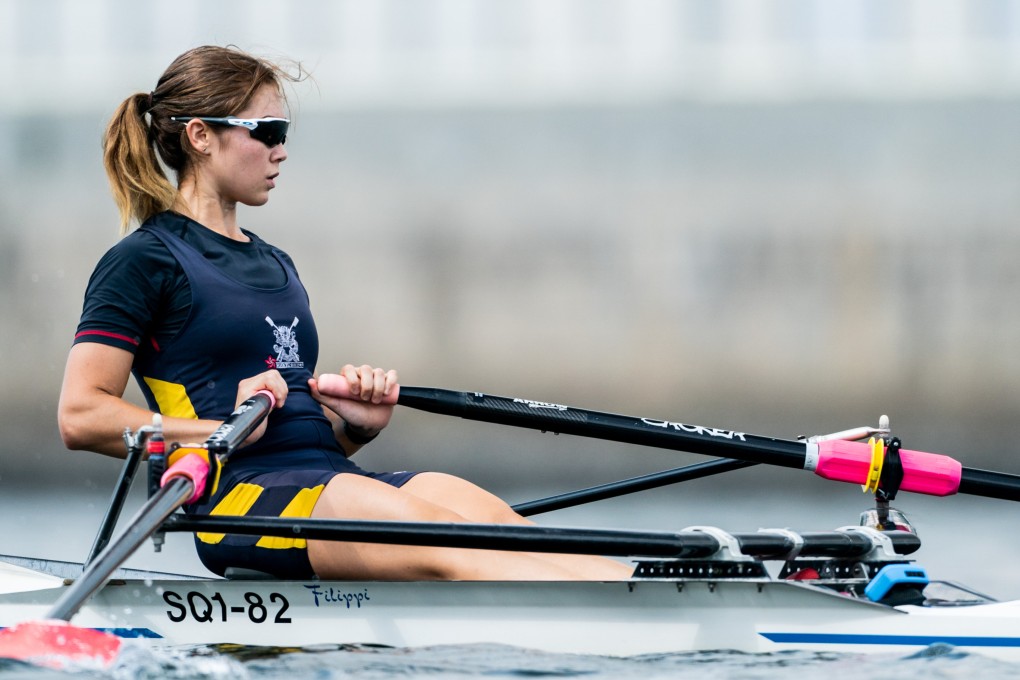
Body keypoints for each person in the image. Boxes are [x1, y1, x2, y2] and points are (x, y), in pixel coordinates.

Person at [58, 45, 632, 582]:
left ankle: (650, 594)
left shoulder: (275, 262)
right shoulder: (143, 261)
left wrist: (355, 427)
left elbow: (295, 429)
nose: (282, 150)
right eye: (268, 131)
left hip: (328, 477)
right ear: (201, 136)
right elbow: (80, 416)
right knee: (449, 541)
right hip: (238, 499)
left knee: (514, 532)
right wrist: (222, 431)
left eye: (284, 133)